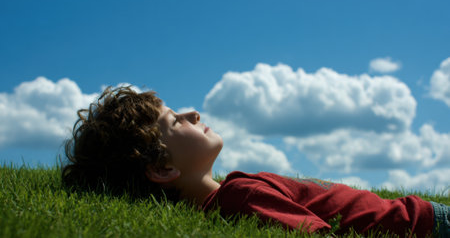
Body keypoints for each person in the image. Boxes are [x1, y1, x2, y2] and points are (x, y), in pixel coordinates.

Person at [62, 86, 449, 237]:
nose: (193, 113)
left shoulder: (233, 196)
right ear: (163, 169)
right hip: (423, 224)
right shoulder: (240, 197)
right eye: (175, 120)